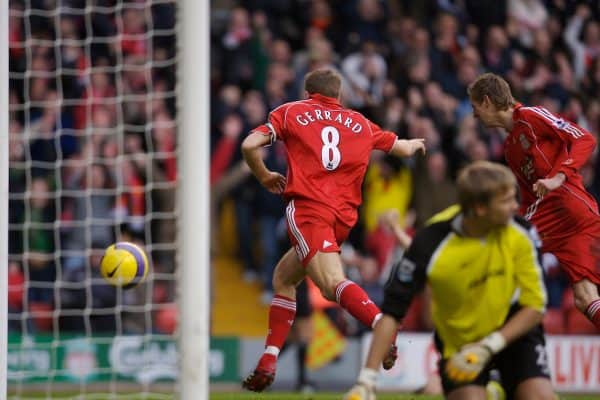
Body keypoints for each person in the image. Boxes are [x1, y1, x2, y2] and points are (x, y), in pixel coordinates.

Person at [240, 68, 426, 392]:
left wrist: (264, 175)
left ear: (308, 92)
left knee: (331, 285)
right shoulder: (362, 123)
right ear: (340, 96)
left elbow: (248, 145)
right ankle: (269, 357)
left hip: (309, 210)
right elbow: (403, 148)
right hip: (342, 219)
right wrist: (415, 143)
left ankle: (382, 325)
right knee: (284, 278)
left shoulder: (291, 112)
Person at [344, 161, 555, 400]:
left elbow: (535, 306)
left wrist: (488, 346)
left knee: (538, 396)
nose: (515, 207)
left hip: (513, 329)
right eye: (506, 201)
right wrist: (366, 381)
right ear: (479, 208)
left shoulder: (522, 233)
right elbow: (392, 313)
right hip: (459, 340)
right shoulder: (430, 242)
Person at [467, 73, 600, 330]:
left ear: (486, 101)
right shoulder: (510, 148)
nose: (474, 115)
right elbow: (530, 198)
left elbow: (585, 138)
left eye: (475, 107)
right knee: (585, 299)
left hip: (569, 207)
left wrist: (558, 177)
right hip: (554, 221)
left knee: (494, 247)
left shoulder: (532, 116)